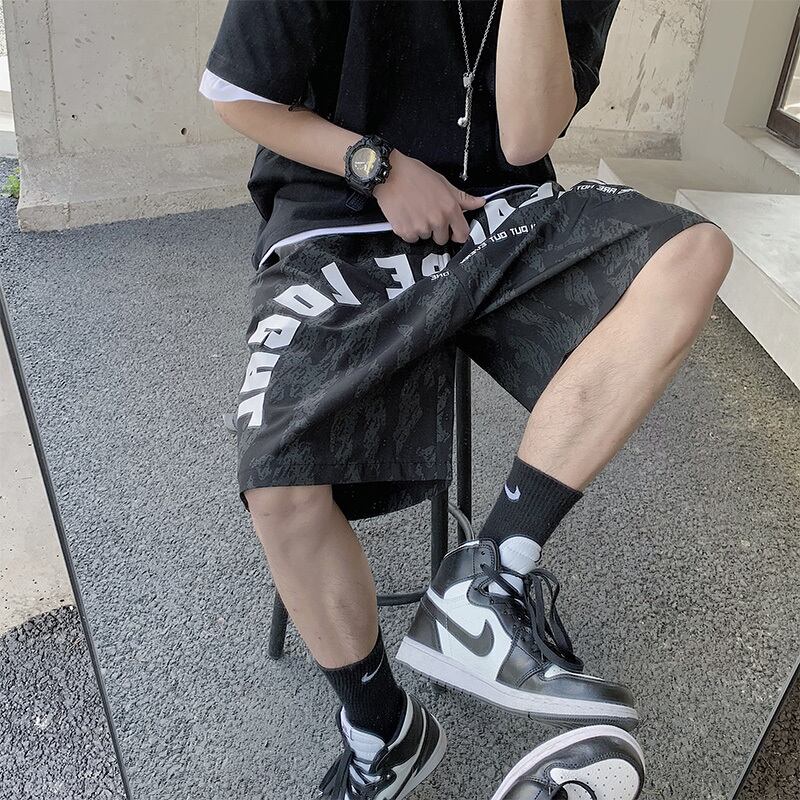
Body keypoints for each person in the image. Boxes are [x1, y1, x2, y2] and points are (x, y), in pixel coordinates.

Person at [200, 1, 733, 797]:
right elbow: (236, 94)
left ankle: (489, 581)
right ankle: (382, 732)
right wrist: (378, 166)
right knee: (278, 483)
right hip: (338, 215)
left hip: (502, 213)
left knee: (694, 253)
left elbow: (525, 138)